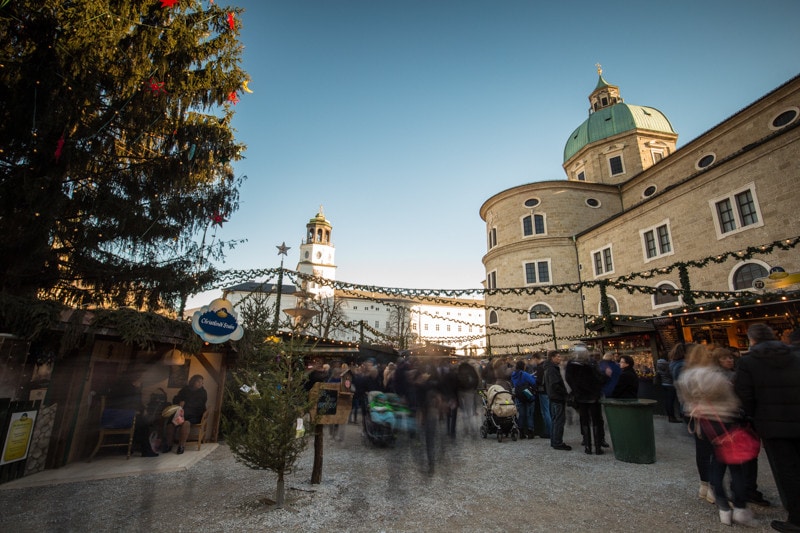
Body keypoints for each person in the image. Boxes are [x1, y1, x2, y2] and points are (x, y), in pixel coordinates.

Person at [676, 344, 756, 527]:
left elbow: (685, 401)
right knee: (735, 463)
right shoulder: (714, 376)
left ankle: (720, 503)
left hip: (702, 423)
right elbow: (732, 400)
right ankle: (739, 506)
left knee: (713, 461)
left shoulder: (685, 376)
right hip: (723, 421)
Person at [735, 324, 800, 533]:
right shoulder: (794, 357)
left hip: (771, 423)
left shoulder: (748, 361)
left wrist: (753, 416)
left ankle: (797, 518)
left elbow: (745, 396)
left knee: (787, 470)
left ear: (751, 340)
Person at [565, 345, 606, 455]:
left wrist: (576, 390)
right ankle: (597, 447)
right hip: (593, 396)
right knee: (596, 420)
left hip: (581, 396)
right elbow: (599, 379)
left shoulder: (571, 365)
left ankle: (587, 446)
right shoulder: (591, 364)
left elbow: (569, 379)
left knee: (585, 420)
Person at [164, 374, 207, 455]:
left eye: (202, 382)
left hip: (194, 414)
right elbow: (176, 398)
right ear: (193, 382)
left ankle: (181, 446)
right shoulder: (185, 389)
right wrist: (180, 402)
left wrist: (186, 405)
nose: (200, 384)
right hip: (181, 413)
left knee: (186, 423)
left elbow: (200, 405)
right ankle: (168, 444)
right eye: (198, 382)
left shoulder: (202, 392)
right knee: (170, 424)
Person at [544, 351, 571, 451]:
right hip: (557, 397)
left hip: (553, 396)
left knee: (556, 420)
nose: (560, 358)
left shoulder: (549, 368)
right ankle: (557, 442)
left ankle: (555, 440)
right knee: (558, 420)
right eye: (558, 357)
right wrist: (564, 393)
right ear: (552, 358)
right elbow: (555, 384)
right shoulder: (552, 369)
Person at [510, 360, 537, 439]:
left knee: (521, 414)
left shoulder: (513, 374)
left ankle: (521, 432)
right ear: (523, 366)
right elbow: (533, 382)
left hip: (519, 395)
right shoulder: (524, 374)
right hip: (527, 394)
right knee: (529, 414)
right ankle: (530, 432)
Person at [655, 352, 681, 423]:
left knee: (668, 401)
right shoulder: (668, 365)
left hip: (664, 384)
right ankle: (673, 416)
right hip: (670, 384)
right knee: (671, 401)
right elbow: (672, 374)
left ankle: (670, 416)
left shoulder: (659, 364)